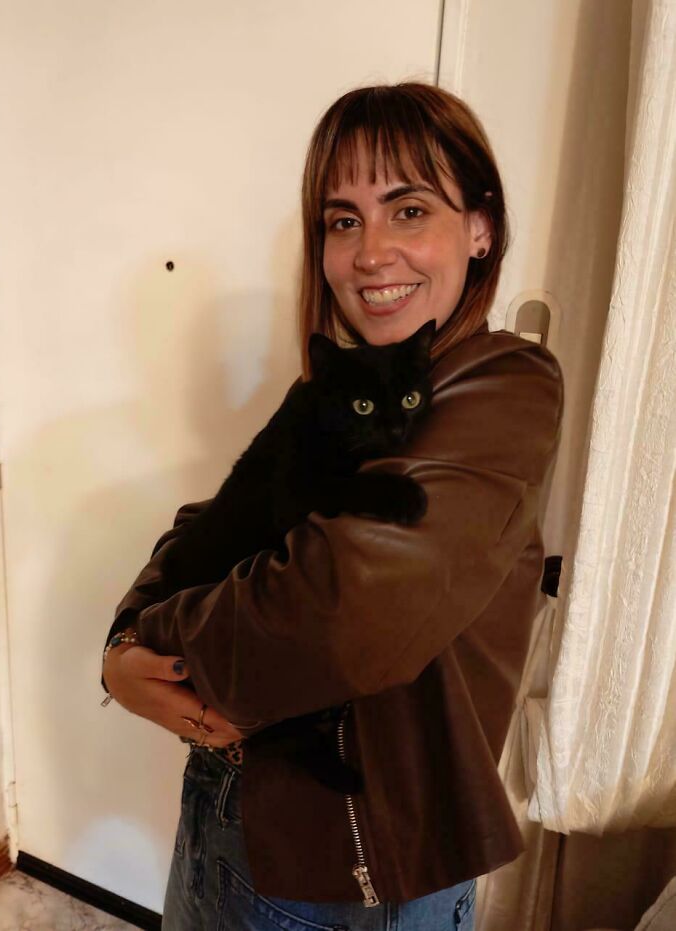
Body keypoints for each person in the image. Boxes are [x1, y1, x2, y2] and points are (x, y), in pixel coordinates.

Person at [101, 81, 564, 930]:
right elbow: (215, 516)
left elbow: (340, 608)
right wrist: (127, 631)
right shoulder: (341, 382)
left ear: (480, 228)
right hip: (234, 793)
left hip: (352, 856)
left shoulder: (504, 384)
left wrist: (150, 645)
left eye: (409, 208)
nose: (370, 252)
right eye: (342, 220)